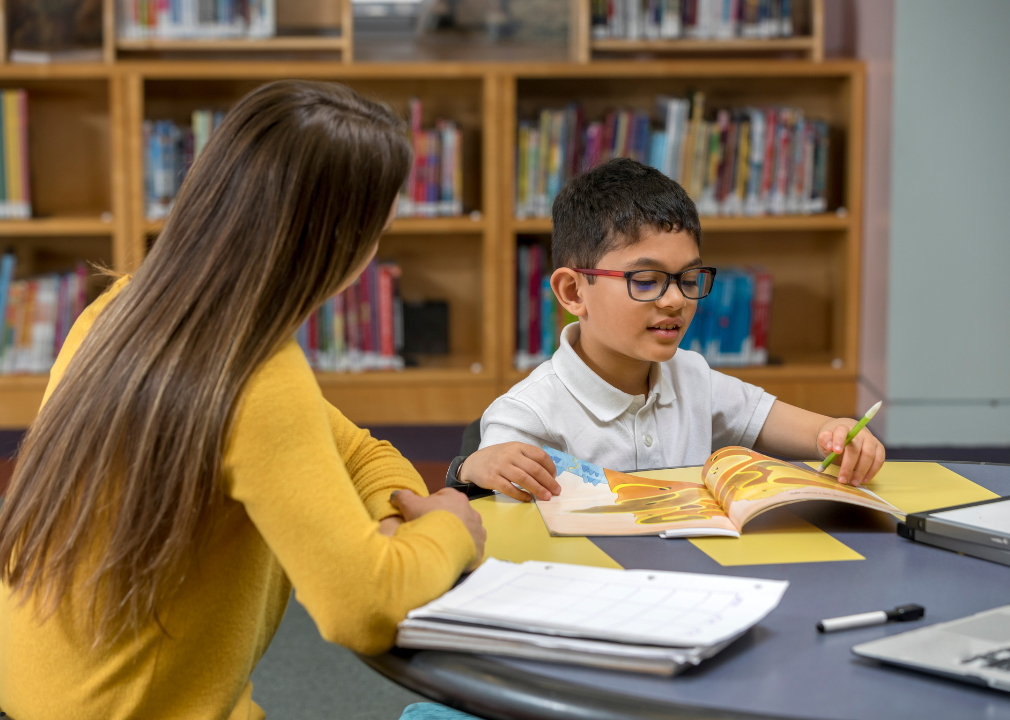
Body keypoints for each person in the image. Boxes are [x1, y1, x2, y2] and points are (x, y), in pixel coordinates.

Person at [0, 80, 484, 720]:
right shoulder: (256, 377)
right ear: (336, 243)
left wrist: (394, 517)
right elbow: (366, 610)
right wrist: (452, 524)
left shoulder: (122, 309)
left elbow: (357, 451)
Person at [454, 158, 885, 502]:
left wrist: (840, 434)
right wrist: (475, 466)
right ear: (573, 292)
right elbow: (490, 494)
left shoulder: (692, 376)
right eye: (645, 281)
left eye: (688, 278)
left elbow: (806, 430)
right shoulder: (528, 413)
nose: (675, 300)